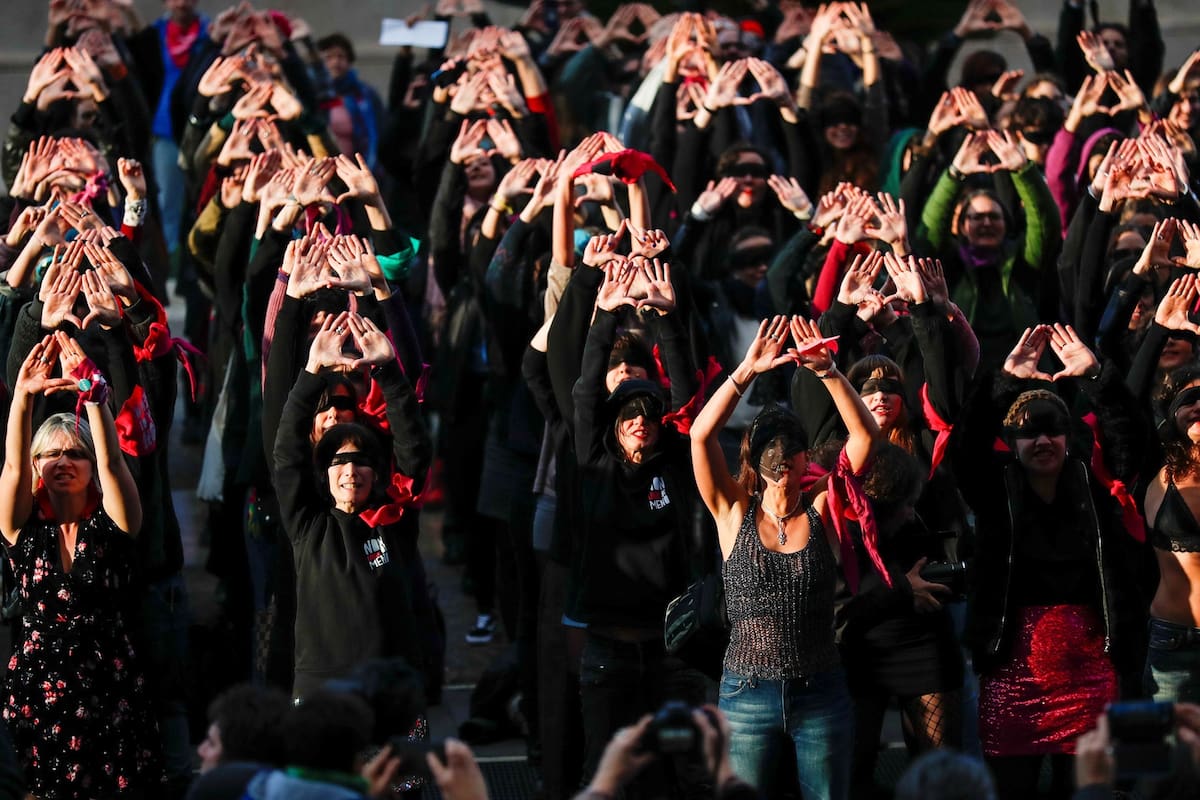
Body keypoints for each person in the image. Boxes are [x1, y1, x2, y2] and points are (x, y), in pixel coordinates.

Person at [956, 324, 1151, 799]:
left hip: (1090, 670)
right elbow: (964, 451)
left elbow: (1131, 444)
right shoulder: (993, 488)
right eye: (1028, 434)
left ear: (1067, 437)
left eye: (1052, 432)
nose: (1042, 442)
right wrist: (1005, 382)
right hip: (1010, 673)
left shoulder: (1094, 486)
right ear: (1013, 442)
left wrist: (1096, 377)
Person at [690, 314, 879, 799]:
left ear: (804, 456)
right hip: (746, 695)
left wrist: (828, 372)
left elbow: (865, 438)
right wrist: (746, 371)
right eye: (769, 444)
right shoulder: (731, 510)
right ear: (753, 457)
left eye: (790, 445)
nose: (780, 455)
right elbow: (699, 435)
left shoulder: (823, 505)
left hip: (821, 692)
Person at [0, 332, 161, 798]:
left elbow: (114, 465)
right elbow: (11, 468)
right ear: (38, 467)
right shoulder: (22, 533)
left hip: (109, 691)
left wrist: (94, 397)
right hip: (36, 694)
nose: (62, 462)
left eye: (74, 453)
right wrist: (23, 397)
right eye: (49, 454)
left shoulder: (113, 528)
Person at [273, 311, 432, 698]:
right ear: (323, 473)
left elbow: (413, 449)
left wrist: (388, 371)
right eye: (339, 461)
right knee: (319, 763)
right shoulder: (307, 524)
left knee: (403, 760)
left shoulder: (393, 521)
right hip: (319, 689)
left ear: (376, 473)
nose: (350, 471)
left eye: (361, 461)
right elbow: (286, 454)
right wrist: (311, 371)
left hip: (392, 689)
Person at [1144, 362, 1200, 702]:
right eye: (1189, 398)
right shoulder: (1156, 468)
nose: (1198, 406)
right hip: (1173, 642)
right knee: (1170, 752)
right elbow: (1123, 409)